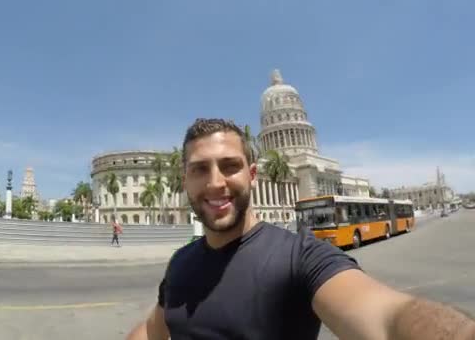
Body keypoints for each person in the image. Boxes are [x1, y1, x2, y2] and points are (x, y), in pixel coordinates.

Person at [126, 118, 475, 339]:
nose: (215, 183)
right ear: (185, 180)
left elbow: (387, 317)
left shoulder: (299, 257)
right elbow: (153, 331)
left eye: (229, 166)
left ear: (252, 174)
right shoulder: (179, 264)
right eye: (200, 169)